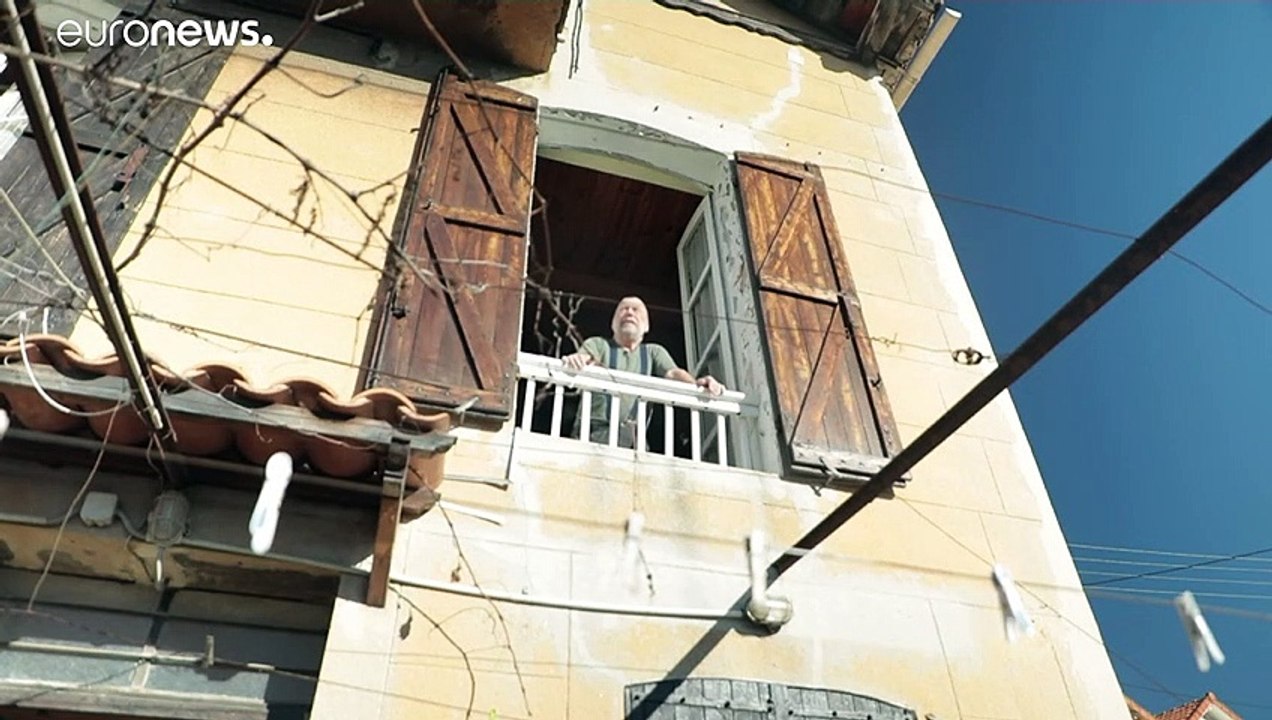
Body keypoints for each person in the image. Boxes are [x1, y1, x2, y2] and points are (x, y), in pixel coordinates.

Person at [563, 296, 725, 448]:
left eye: (636, 309)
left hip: (632, 443)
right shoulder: (599, 344)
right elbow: (584, 358)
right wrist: (577, 360)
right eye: (624, 309)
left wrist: (696, 384)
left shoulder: (653, 352)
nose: (629, 312)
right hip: (590, 435)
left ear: (646, 326)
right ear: (613, 323)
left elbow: (673, 373)